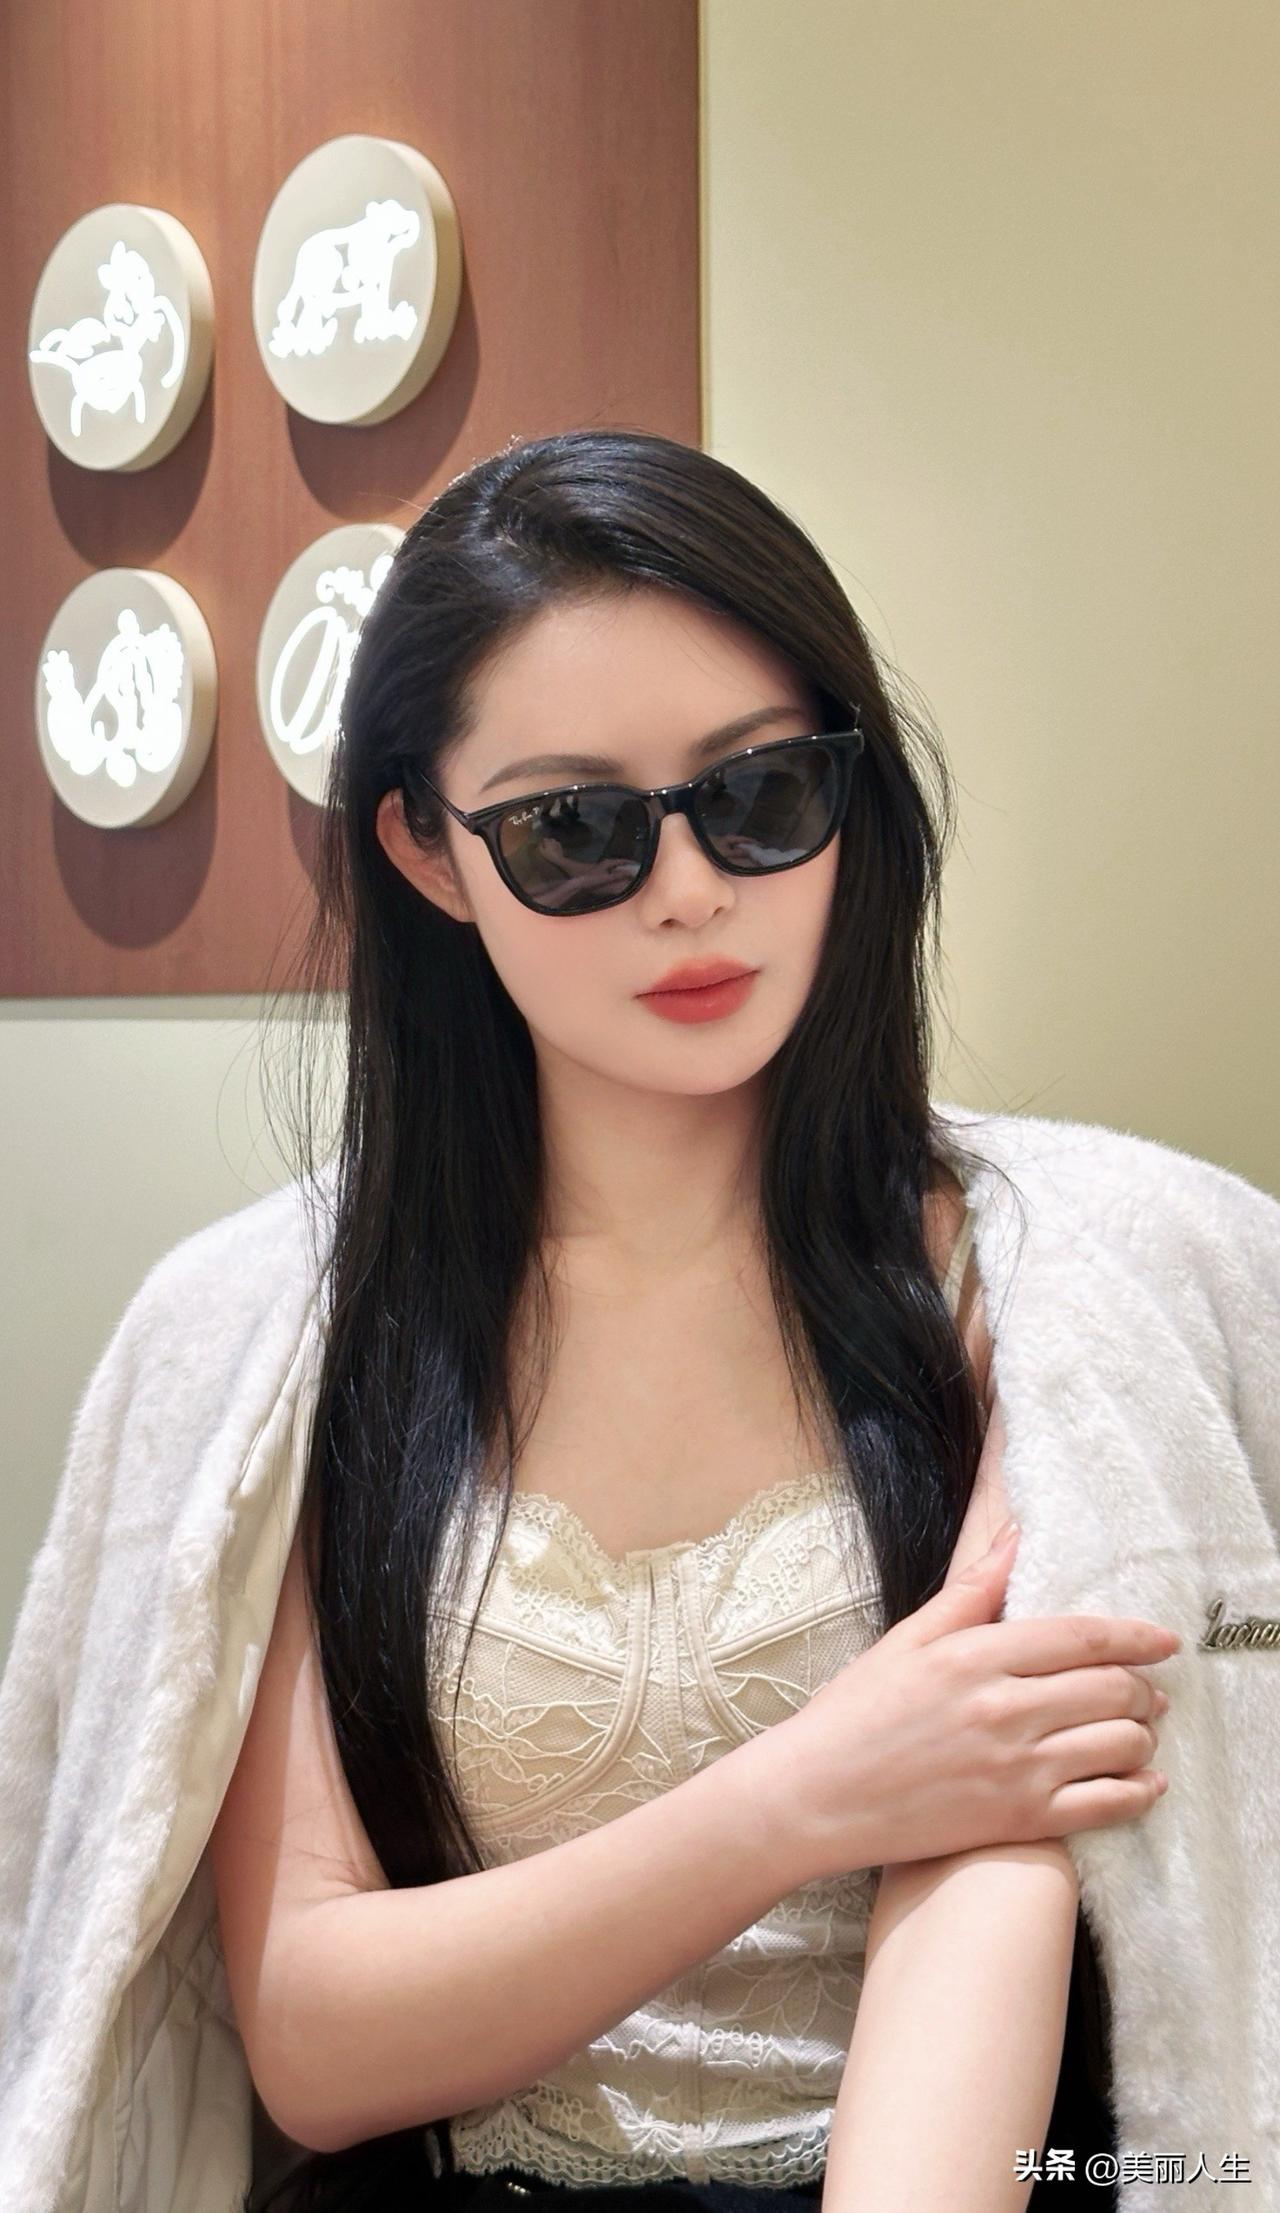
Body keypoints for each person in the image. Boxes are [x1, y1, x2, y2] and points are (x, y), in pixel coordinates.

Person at [206, 428, 1177, 2213]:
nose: (689, 890)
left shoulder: (1030, 1283)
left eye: (761, 793)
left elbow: (999, 1831)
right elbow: (317, 2037)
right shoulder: (305, 1340)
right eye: (573, 827)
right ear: (428, 849)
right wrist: (810, 1789)